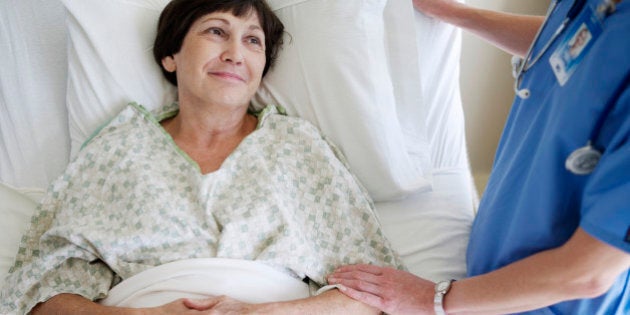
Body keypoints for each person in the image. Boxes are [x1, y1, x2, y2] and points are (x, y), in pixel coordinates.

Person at [0, 0, 403, 313]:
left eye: (252, 40)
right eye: (216, 31)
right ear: (170, 57)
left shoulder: (298, 146)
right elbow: (41, 295)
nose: (234, 53)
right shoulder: (119, 148)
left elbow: (374, 294)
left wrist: (260, 313)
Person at [328, 0, 630, 314]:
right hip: (487, 278)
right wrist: (454, 13)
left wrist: (430, 299)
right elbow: (579, 44)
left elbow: (588, 274)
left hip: (548, 304)